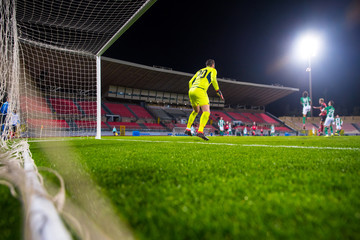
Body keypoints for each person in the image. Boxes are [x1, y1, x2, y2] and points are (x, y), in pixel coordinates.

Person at [184, 59, 224, 141]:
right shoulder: (213, 70)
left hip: (191, 90)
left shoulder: (200, 70)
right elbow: (214, 80)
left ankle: (188, 129)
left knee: (196, 111)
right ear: (213, 65)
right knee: (206, 111)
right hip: (201, 90)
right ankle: (200, 131)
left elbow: (190, 81)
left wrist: (192, 91)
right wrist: (218, 91)